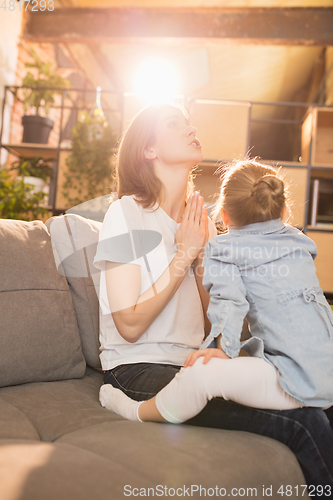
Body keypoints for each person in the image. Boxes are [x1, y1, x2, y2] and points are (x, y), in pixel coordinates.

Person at [94, 103, 333, 488]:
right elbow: (129, 324)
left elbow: (212, 324)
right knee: (304, 421)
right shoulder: (125, 214)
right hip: (138, 368)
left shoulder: (202, 221)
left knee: (323, 400)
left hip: (194, 364)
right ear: (148, 150)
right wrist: (184, 254)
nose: (190, 128)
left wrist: (203, 255)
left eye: (188, 121)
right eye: (174, 124)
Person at [101, 159, 333, 425]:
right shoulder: (301, 243)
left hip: (292, 372)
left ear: (223, 215)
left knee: (202, 374)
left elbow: (228, 304)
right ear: (282, 211)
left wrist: (221, 350)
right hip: (327, 368)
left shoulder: (223, 248)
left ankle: (135, 412)